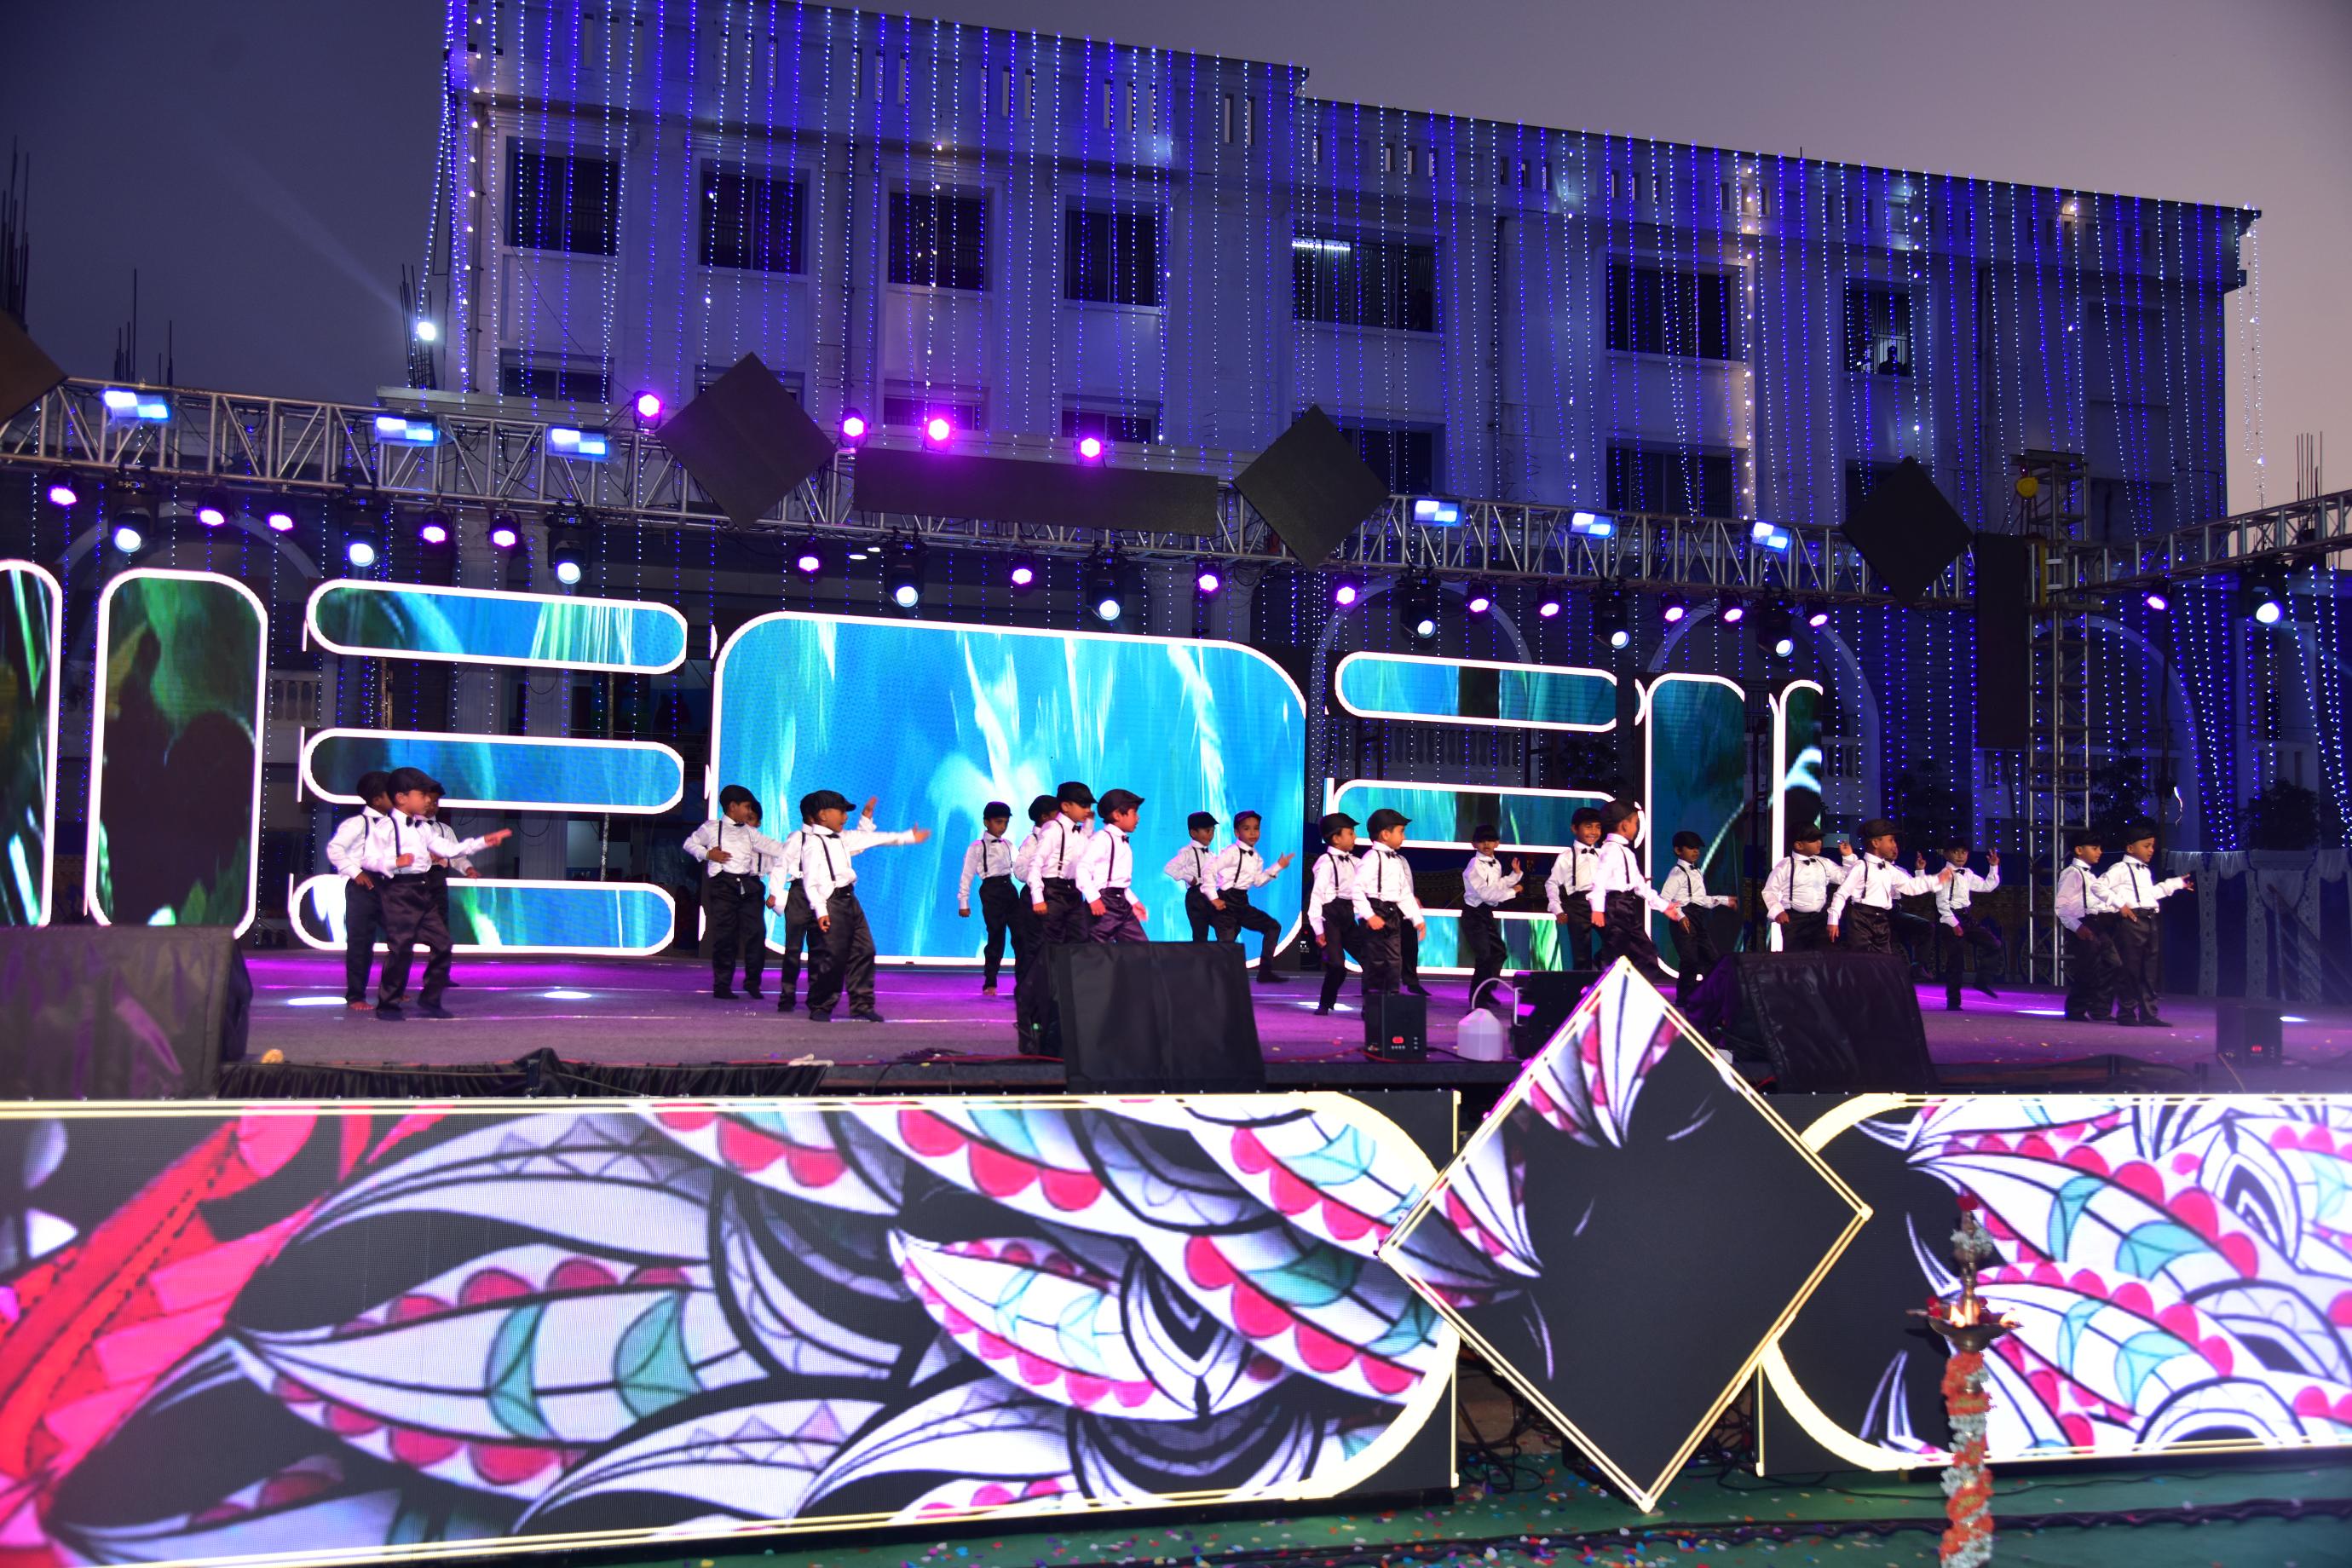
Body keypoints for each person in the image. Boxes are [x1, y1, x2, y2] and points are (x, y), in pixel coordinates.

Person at [364, 768, 512, 1019]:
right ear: (402, 798)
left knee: (443, 944)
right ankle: (388, 1004)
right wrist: (394, 862)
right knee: (401, 948)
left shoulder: (423, 829)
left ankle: (430, 999)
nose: (427, 801)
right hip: (399, 891)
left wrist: (483, 842)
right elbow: (368, 859)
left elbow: (450, 849)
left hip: (423, 890)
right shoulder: (385, 827)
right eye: (422, 795)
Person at [798, 788, 931, 1023]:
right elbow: (810, 882)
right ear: (823, 815)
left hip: (850, 900)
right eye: (840, 811)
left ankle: (861, 1004)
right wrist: (821, 910)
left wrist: (907, 837)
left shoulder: (841, 838)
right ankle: (821, 1004)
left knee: (864, 950)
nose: (845, 816)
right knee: (834, 957)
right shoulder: (813, 844)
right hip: (831, 903)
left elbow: (870, 839)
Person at [685, 785, 795, 1000]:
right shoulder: (712, 827)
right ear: (732, 806)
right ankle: (722, 985)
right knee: (725, 936)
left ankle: (753, 982)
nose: (748, 812)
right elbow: (690, 843)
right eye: (746, 807)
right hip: (723, 886)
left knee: (756, 933)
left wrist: (802, 848)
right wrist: (708, 854)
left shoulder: (749, 832)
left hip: (748, 886)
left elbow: (774, 847)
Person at [775, 795, 875, 1013]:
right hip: (800, 893)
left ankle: (816, 997)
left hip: (826, 894)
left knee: (821, 948)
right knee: (793, 948)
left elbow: (859, 844)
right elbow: (781, 865)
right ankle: (787, 995)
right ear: (814, 817)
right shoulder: (798, 838)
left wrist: (866, 819)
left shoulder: (834, 840)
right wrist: (774, 892)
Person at [1017, 781, 1097, 1049]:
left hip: (1072, 894)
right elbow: (1035, 865)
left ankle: (1065, 1013)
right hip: (1051, 892)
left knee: (1077, 947)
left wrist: (1088, 823)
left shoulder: (1078, 831)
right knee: (1046, 956)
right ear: (1066, 806)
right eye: (1083, 805)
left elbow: (1083, 853)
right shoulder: (1052, 829)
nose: (1087, 810)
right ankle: (1032, 1018)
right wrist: (1038, 897)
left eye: (1089, 805)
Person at [2097, 828, 2193, 1028]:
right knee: (2130, 969)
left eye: (2152, 846)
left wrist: (2176, 884)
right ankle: (2127, 1013)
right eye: (2146, 846)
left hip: (2150, 920)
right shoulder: (2120, 868)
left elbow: (2150, 894)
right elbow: (2098, 886)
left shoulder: (2145, 871)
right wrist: (2120, 904)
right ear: (2130, 848)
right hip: (2132, 922)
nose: (2151, 850)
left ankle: (2149, 1014)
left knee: (2149, 970)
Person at [323, 770, 395, 1010]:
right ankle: (356, 995)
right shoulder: (357, 823)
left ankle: (392, 989)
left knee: (400, 938)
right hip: (362, 885)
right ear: (376, 799)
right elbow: (335, 849)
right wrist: (355, 872)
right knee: (360, 942)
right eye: (391, 793)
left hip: (390, 884)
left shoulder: (398, 823)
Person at [1588, 799, 1679, 987]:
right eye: (1635, 823)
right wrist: (1597, 908)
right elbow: (1599, 881)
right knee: (1614, 953)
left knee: (1646, 953)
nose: (1637, 828)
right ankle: (1601, 989)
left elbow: (1638, 884)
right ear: (1624, 825)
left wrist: (1663, 906)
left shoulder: (1627, 852)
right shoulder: (1609, 851)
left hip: (1626, 907)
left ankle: (1631, 990)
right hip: (1615, 906)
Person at [1827, 819, 1949, 954]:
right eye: (1891, 840)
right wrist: (1833, 919)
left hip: (1882, 919)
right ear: (1876, 843)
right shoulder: (1861, 866)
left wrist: (1936, 880)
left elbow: (1910, 885)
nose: (1894, 845)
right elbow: (1841, 893)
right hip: (1861, 918)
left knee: (1884, 959)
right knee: (1863, 959)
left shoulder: (1889, 868)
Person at [1213, 810, 1295, 983]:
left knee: (1273, 927)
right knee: (1226, 944)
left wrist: (1278, 866)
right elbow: (1210, 870)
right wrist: (1214, 897)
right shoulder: (1230, 852)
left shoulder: (1256, 857)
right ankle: (1216, 980)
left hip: (1241, 902)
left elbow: (1258, 882)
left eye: (1256, 828)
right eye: (1247, 828)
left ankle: (1265, 971)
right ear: (1237, 832)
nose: (1252, 833)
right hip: (1226, 902)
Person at [1351, 808, 1426, 996]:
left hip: (1392, 914)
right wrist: (1369, 916)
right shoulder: (1370, 859)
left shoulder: (1397, 861)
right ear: (1385, 834)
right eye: (1401, 832)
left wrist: (1416, 918)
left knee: (1394, 959)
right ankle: (1372, 1003)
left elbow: (1404, 893)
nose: (1404, 837)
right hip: (1375, 910)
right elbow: (1356, 890)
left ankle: (1391, 997)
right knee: (1375, 960)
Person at [1662, 829, 1736, 1007]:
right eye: (1691, 848)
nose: (1696, 851)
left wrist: (1725, 900)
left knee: (1711, 958)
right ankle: (1685, 999)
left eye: (1697, 848)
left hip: (1697, 917)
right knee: (1690, 960)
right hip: (1684, 918)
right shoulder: (1677, 873)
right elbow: (1664, 899)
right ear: (1678, 850)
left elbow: (1700, 900)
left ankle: (1708, 996)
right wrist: (1680, 916)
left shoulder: (1697, 872)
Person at [2054, 827, 2120, 1023]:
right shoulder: (2072, 873)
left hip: (2095, 922)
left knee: (2112, 963)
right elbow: (2062, 906)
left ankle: (2099, 1008)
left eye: (2099, 848)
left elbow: (2094, 902)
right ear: (2079, 850)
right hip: (2081, 923)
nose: (2099, 852)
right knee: (2088, 968)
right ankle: (2076, 1008)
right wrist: (2077, 927)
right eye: (2094, 848)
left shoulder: (2090, 875)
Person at [1934, 838, 2004, 1011]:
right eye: (1956, 852)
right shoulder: (1945, 874)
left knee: (1993, 944)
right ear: (1946, 854)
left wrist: (1993, 867)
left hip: (1966, 917)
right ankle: (1953, 1002)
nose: (1960, 856)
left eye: (1963, 852)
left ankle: (1982, 981)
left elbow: (1987, 886)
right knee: (1956, 961)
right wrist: (1954, 924)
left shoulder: (1968, 873)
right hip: (1950, 917)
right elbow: (1941, 903)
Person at [957, 801, 1019, 994]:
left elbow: (1019, 868)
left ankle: (1025, 979)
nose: (1003, 827)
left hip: (1009, 889)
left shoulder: (1009, 845)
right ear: (986, 822)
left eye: (1006, 822)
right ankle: (990, 981)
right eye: (999, 822)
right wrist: (963, 902)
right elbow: (967, 875)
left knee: (1021, 936)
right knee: (996, 936)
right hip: (991, 890)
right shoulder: (977, 847)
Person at [1308, 812, 1365, 1016]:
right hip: (1330, 915)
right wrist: (1318, 929)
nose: (1355, 837)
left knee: (1370, 960)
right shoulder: (1325, 862)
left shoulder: (1356, 862)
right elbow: (1317, 895)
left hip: (1347, 914)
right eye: (1350, 833)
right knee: (1337, 965)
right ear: (1336, 838)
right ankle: (1325, 1002)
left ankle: (1371, 1007)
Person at [1460, 824, 1523, 1008]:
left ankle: (1486, 991)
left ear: (1497, 843)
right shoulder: (1474, 865)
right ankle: (1477, 998)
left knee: (1499, 952)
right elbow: (1486, 894)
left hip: (1486, 913)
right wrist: (1513, 892)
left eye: (1490, 840)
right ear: (1474, 844)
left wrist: (1515, 876)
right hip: (1473, 914)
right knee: (1484, 955)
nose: (1486, 844)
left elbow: (1497, 886)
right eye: (1482, 841)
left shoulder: (1496, 864)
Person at [1761, 824, 1852, 952]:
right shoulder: (1785, 865)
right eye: (1813, 840)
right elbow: (1770, 890)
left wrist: (1848, 858)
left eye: (1819, 839)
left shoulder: (1824, 863)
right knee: (1796, 956)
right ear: (1799, 845)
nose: (1819, 843)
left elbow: (1846, 878)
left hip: (1820, 919)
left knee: (1823, 954)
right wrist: (1778, 911)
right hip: (1795, 920)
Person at [1075, 788, 1150, 943]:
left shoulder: (1122, 841)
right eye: (1134, 813)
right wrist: (1093, 898)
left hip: (1121, 902)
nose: (1138, 818)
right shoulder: (1102, 839)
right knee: (1097, 946)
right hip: (1105, 902)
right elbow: (1082, 869)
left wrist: (1133, 901)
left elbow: (1118, 881)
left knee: (1140, 947)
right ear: (1117, 815)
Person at [1007, 794, 1060, 996]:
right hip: (1033, 898)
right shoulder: (1033, 841)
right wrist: (1039, 875)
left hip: (1055, 897)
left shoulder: (1058, 837)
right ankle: (1027, 991)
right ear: (1045, 817)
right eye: (1057, 814)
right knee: (1031, 945)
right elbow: (1020, 871)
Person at [1544, 807, 1606, 970]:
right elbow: (1551, 883)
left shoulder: (1603, 854)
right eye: (1588, 826)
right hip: (1578, 906)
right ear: (1574, 828)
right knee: (1581, 953)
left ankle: (1598, 964)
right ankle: (1583, 982)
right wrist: (1557, 909)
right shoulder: (1567, 856)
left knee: (1616, 940)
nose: (1594, 831)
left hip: (1601, 904)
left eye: (1598, 827)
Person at [1167, 811, 1225, 943]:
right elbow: (1170, 868)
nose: (1211, 835)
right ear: (1193, 833)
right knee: (1200, 933)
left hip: (1211, 894)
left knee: (1224, 925)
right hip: (1196, 896)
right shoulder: (1187, 852)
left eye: (1213, 831)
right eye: (1207, 831)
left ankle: (1222, 953)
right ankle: (1201, 954)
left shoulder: (1211, 854)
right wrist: (1189, 878)